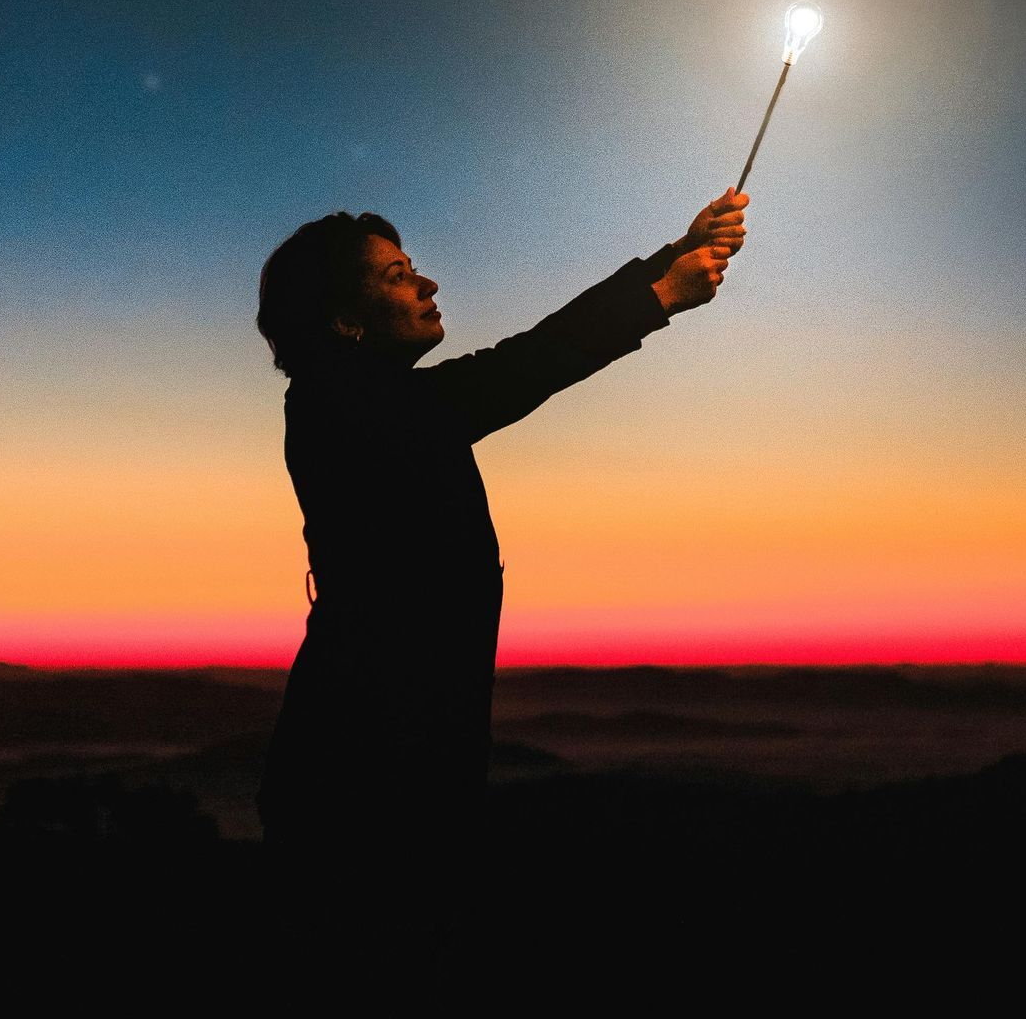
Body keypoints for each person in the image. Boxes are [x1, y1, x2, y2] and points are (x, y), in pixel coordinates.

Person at [251, 185, 749, 920]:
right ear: (344, 321)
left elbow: (507, 368)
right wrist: (660, 296)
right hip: (361, 789)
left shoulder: (368, 402)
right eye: (397, 276)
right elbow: (518, 367)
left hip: (387, 774)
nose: (428, 284)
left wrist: (678, 254)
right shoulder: (343, 408)